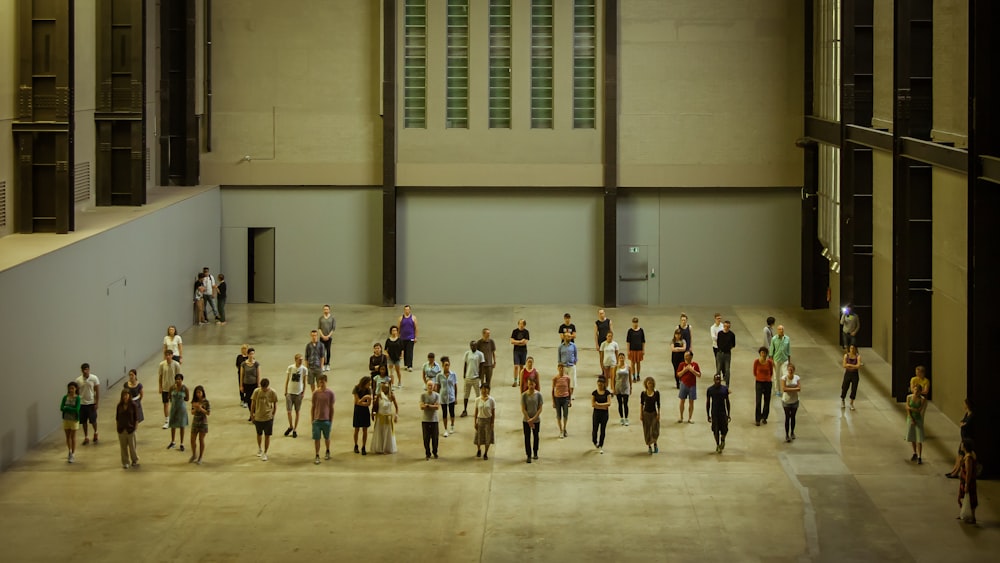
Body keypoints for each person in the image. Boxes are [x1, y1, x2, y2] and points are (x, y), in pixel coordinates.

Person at [250, 378, 278, 461]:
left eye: (264, 388)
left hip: (268, 417)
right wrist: (252, 414)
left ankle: (265, 452)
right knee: (259, 434)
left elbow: (275, 404)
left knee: (267, 436)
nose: (263, 389)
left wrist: (273, 415)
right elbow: (253, 403)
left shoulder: (272, 392)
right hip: (258, 417)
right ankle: (259, 448)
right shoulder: (256, 391)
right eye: (262, 388)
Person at [947, 398, 975, 479]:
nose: (964, 405)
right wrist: (963, 424)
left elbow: (966, 425)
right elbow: (962, 422)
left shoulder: (972, 416)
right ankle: (954, 470)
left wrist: (963, 424)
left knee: (962, 455)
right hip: (963, 437)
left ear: (968, 405)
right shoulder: (967, 414)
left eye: (965, 404)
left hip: (967, 438)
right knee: (959, 454)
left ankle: (956, 472)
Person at [312, 374, 336, 463]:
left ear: (326, 381)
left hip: (326, 419)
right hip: (317, 420)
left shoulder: (330, 393)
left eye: (323, 382)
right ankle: (317, 454)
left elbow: (332, 407)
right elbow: (313, 407)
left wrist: (331, 419)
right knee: (317, 439)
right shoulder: (315, 393)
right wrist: (312, 419)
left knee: (327, 437)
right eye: (320, 382)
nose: (321, 384)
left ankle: (327, 451)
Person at [370, 380, 398, 454]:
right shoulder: (379, 395)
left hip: (388, 417)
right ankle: (380, 447)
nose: (384, 389)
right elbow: (375, 405)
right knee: (380, 432)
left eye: (385, 388)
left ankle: (387, 448)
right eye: (383, 388)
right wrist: (373, 413)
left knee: (387, 433)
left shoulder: (391, 396)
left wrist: (396, 415)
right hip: (380, 417)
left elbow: (396, 406)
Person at [75, 363, 100, 445]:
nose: (85, 371)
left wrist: (96, 402)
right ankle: (86, 437)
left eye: (87, 369)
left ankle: (95, 433)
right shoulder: (78, 380)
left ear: (89, 369)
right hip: (82, 404)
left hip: (91, 403)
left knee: (93, 420)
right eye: (84, 370)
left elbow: (97, 390)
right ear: (81, 370)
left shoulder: (94, 378)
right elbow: (77, 392)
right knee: (84, 422)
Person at [706, 374, 731, 453]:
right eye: (716, 380)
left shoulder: (724, 389)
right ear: (714, 380)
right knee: (715, 430)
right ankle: (717, 444)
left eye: (719, 380)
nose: (717, 381)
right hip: (714, 413)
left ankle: (722, 439)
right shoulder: (710, 390)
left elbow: (727, 402)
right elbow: (708, 402)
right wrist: (708, 415)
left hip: (722, 412)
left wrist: (728, 414)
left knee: (725, 429)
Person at [284, 354, 307, 437]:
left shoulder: (304, 369)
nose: (301, 361)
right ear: (295, 360)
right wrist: (286, 391)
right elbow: (287, 379)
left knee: (297, 411)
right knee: (289, 411)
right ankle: (290, 425)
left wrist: (303, 392)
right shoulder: (290, 368)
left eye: (302, 360)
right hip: (290, 392)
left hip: (298, 393)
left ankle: (295, 429)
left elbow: (304, 382)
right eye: (299, 359)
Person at [521, 378, 543, 463]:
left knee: (536, 436)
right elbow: (523, 409)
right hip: (526, 420)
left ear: (535, 385)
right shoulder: (524, 395)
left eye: (532, 384)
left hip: (536, 420)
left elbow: (540, 408)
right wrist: (528, 420)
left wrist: (533, 419)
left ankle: (535, 452)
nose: (531, 386)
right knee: (527, 438)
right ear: (527, 384)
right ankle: (528, 455)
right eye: (529, 384)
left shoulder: (539, 395)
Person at [115, 389, 139, 469]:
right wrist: (118, 428)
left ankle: (134, 460)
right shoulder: (119, 406)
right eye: (124, 395)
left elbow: (136, 418)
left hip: (130, 429)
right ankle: (125, 462)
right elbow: (117, 418)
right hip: (122, 429)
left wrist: (135, 427)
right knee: (123, 447)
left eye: (126, 395)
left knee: (132, 447)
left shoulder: (133, 405)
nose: (125, 397)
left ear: (129, 396)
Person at [904, 380, 927, 464]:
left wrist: (910, 408)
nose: (916, 392)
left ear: (920, 391)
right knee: (912, 437)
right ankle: (914, 452)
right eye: (915, 390)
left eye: (918, 390)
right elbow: (907, 409)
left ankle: (920, 456)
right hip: (911, 419)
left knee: (919, 439)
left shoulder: (922, 399)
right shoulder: (909, 397)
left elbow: (919, 410)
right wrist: (911, 417)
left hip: (918, 419)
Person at [676, 351, 701, 423]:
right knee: (682, 401)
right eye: (685, 356)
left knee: (691, 402)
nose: (685, 357)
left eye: (687, 355)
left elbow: (699, 375)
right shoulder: (681, 364)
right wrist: (685, 370)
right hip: (683, 384)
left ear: (691, 357)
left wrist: (692, 370)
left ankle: (690, 418)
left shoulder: (695, 365)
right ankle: (681, 417)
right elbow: (678, 374)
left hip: (692, 385)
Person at [461, 340, 485, 417]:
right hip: (468, 378)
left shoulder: (480, 354)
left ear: (476, 346)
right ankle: (465, 410)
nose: (472, 347)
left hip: (476, 378)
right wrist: (464, 374)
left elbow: (482, 366)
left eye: (474, 345)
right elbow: (465, 364)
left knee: (478, 396)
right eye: (471, 345)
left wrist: (481, 377)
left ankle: (479, 410)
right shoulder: (467, 354)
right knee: (466, 395)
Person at [435, 357, 458, 437]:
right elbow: (438, 387)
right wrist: (437, 398)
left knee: (452, 413)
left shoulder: (453, 375)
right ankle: (445, 429)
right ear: (442, 366)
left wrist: (456, 398)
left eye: (448, 365)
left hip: (451, 396)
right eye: (445, 365)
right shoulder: (439, 376)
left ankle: (452, 425)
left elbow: (455, 386)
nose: (447, 367)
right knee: (444, 413)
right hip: (443, 397)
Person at [158, 350, 181, 429]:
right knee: (165, 404)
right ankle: (167, 420)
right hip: (165, 388)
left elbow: (178, 377)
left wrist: (178, 387)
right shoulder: (162, 365)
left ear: (172, 355)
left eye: (169, 355)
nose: (167, 356)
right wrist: (160, 387)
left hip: (173, 388)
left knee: (174, 404)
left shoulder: (176, 365)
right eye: (166, 355)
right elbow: (160, 376)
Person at [167, 373, 189, 451]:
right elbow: (169, 397)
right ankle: (173, 441)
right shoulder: (172, 388)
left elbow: (187, 398)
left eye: (179, 379)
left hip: (182, 409)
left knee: (182, 425)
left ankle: (182, 443)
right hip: (173, 408)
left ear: (182, 380)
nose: (178, 380)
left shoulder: (185, 388)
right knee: (173, 425)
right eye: (177, 379)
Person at [420, 380, 441, 460]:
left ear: (434, 386)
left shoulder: (437, 395)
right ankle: (427, 453)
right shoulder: (423, 395)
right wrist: (432, 405)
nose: (430, 387)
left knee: (435, 438)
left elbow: (437, 407)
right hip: (425, 420)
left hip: (434, 420)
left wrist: (427, 405)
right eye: (428, 385)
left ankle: (435, 452)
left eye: (431, 385)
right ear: (426, 386)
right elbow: (421, 407)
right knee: (426, 438)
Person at [957, 439, 978, 524]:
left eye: (962, 445)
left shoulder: (968, 458)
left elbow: (968, 472)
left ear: (965, 446)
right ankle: (963, 513)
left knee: (970, 498)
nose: (960, 446)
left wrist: (967, 484)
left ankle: (973, 517)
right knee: (962, 497)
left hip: (968, 481)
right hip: (964, 480)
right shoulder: (967, 455)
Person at [753, 347, 774, 426]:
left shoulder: (769, 362)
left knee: (767, 401)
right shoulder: (756, 362)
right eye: (762, 352)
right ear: (760, 353)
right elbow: (754, 372)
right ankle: (757, 419)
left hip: (767, 382)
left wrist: (767, 378)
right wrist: (759, 377)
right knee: (758, 401)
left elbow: (771, 372)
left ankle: (764, 417)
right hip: (759, 382)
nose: (763, 354)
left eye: (764, 353)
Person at [60, 381, 81, 463]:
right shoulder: (65, 397)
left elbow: (77, 409)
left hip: (74, 420)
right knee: (67, 437)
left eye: (73, 388)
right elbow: (61, 408)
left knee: (73, 437)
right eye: (70, 388)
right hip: (66, 419)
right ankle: (69, 451)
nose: (71, 390)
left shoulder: (78, 398)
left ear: (76, 389)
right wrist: (69, 408)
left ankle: (73, 453)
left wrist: (67, 408)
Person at [474, 384, 496, 460]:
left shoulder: (491, 400)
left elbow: (493, 412)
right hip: (480, 419)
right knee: (478, 437)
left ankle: (486, 452)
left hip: (488, 420)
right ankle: (479, 449)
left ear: (488, 390)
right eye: (482, 389)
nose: (484, 390)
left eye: (486, 389)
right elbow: (476, 411)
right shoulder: (477, 400)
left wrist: (492, 422)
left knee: (488, 438)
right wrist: (475, 422)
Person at [352, 376, 373, 455]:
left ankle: (363, 446)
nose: (369, 385)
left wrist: (361, 402)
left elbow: (369, 403)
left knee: (365, 430)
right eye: (368, 383)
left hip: (364, 411)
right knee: (356, 429)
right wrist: (364, 399)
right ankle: (356, 445)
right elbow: (356, 402)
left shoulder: (368, 390)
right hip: (357, 410)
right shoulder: (356, 388)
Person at [781, 363, 801, 443]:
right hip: (786, 401)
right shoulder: (784, 378)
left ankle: (792, 432)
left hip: (795, 400)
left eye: (792, 369)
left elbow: (799, 388)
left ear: (794, 370)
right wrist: (794, 388)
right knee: (787, 417)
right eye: (789, 369)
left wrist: (788, 388)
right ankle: (787, 434)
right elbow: (784, 389)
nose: (790, 371)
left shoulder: (797, 377)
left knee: (793, 417)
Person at [639, 377, 661, 454]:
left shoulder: (656, 393)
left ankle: (655, 444)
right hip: (646, 413)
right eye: (649, 383)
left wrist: (659, 413)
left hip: (654, 413)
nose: (650, 385)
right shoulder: (643, 393)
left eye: (651, 383)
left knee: (655, 430)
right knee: (647, 430)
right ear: (646, 384)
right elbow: (642, 404)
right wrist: (641, 414)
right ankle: (649, 446)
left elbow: (658, 404)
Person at [591, 376, 612, 454]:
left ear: (604, 384)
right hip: (596, 413)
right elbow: (593, 404)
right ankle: (594, 441)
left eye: (601, 384)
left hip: (604, 414)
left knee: (603, 429)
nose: (600, 385)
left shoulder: (607, 393)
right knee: (595, 428)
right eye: (598, 384)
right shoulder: (594, 393)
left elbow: (609, 403)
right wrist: (603, 406)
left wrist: (599, 405)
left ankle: (601, 444)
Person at [768, 325, 791, 397]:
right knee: (776, 376)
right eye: (779, 329)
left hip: (784, 359)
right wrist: (771, 360)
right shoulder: (774, 339)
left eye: (782, 329)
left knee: (785, 375)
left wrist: (789, 361)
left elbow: (789, 350)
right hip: (776, 359)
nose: (781, 330)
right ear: (777, 330)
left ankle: (785, 389)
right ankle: (777, 390)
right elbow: (771, 350)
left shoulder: (787, 339)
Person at [189, 385, 209, 464]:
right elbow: (192, 412)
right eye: (197, 393)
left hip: (203, 423)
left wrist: (201, 408)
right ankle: (194, 454)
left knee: (201, 440)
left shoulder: (206, 402)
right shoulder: (194, 401)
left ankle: (200, 457)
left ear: (202, 393)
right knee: (192, 440)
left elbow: (208, 412)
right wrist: (195, 408)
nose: (198, 394)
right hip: (195, 422)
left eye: (199, 392)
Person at [240, 348, 261, 422]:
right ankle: (251, 414)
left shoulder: (256, 364)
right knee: (249, 400)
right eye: (250, 354)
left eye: (253, 354)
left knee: (254, 400)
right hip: (247, 384)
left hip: (254, 385)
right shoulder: (243, 364)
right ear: (248, 354)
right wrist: (241, 385)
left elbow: (258, 375)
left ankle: (255, 414)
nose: (252, 355)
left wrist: (258, 385)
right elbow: (242, 375)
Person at [552, 363, 573, 438]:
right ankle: (560, 430)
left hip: (565, 398)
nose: (561, 369)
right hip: (557, 398)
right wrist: (553, 401)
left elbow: (569, 389)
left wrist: (570, 400)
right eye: (559, 368)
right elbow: (552, 390)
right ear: (557, 369)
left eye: (562, 368)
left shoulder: (567, 378)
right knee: (558, 415)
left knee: (565, 415)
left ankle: (564, 428)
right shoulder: (555, 378)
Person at [397, 305, 419, 372]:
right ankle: (406, 364)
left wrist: (415, 337)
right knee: (404, 351)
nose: (407, 311)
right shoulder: (401, 318)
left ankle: (410, 365)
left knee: (409, 352)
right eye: (405, 309)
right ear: (404, 310)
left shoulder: (413, 318)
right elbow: (398, 328)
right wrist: (397, 337)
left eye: (408, 309)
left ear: (410, 310)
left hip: (410, 338)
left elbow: (416, 328)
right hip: (403, 338)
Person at [840, 345, 863, 410]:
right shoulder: (846, 356)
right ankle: (843, 400)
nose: (852, 349)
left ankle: (851, 403)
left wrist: (849, 365)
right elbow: (844, 365)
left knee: (854, 389)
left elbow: (858, 366)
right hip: (848, 374)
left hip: (855, 374)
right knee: (844, 387)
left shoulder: (858, 356)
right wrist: (853, 366)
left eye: (853, 348)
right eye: (851, 348)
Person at [612, 352, 631, 426]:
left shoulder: (628, 367)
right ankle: (621, 418)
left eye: (622, 357)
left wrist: (631, 387)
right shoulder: (616, 367)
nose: (621, 359)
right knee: (620, 403)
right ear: (618, 358)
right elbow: (613, 378)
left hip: (625, 387)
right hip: (618, 387)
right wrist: (613, 388)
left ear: (624, 358)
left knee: (625, 403)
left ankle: (626, 418)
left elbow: (630, 378)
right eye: (620, 357)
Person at [557, 332, 578, 397]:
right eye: (567, 336)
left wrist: (574, 362)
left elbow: (575, 355)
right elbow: (559, 356)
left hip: (571, 366)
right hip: (564, 366)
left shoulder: (573, 346)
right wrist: (560, 365)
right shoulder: (560, 347)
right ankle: (565, 394)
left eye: (570, 336)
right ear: (564, 337)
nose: (569, 338)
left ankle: (571, 395)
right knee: (564, 381)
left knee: (572, 381)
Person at [510, 319, 530, 387]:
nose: (521, 325)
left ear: (524, 325)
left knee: (521, 366)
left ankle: (520, 380)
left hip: (523, 351)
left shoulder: (526, 332)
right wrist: (520, 341)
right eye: (520, 324)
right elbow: (512, 341)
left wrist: (517, 342)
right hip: (516, 351)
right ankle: (515, 381)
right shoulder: (515, 331)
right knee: (516, 366)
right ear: (518, 324)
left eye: (522, 324)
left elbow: (525, 342)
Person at [626, 317, 645, 382]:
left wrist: (643, 350)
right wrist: (628, 350)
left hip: (639, 349)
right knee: (632, 363)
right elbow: (628, 342)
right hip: (632, 349)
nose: (635, 324)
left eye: (636, 322)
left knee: (638, 363)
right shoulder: (630, 331)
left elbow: (643, 341)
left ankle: (638, 375)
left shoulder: (641, 330)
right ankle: (633, 376)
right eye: (634, 322)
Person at [716, 320, 735, 386]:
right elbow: (718, 342)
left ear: (729, 327)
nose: (726, 327)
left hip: (727, 354)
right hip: (720, 353)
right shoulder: (720, 333)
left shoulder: (732, 334)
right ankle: (717, 383)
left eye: (727, 326)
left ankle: (727, 384)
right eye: (725, 326)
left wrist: (727, 348)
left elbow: (733, 344)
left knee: (727, 370)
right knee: (718, 369)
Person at [318, 305, 336, 371]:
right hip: (322, 337)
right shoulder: (321, 318)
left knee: (328, 351)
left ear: (329, 310)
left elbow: (333, 328)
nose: (326, 310)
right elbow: (319, 328)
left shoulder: (332, 318)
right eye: (324, 309)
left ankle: (327, 364)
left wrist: (328, 336)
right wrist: (322, 335)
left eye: (327, 309)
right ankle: (323, 364)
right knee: (322, 352)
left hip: (329, 337)